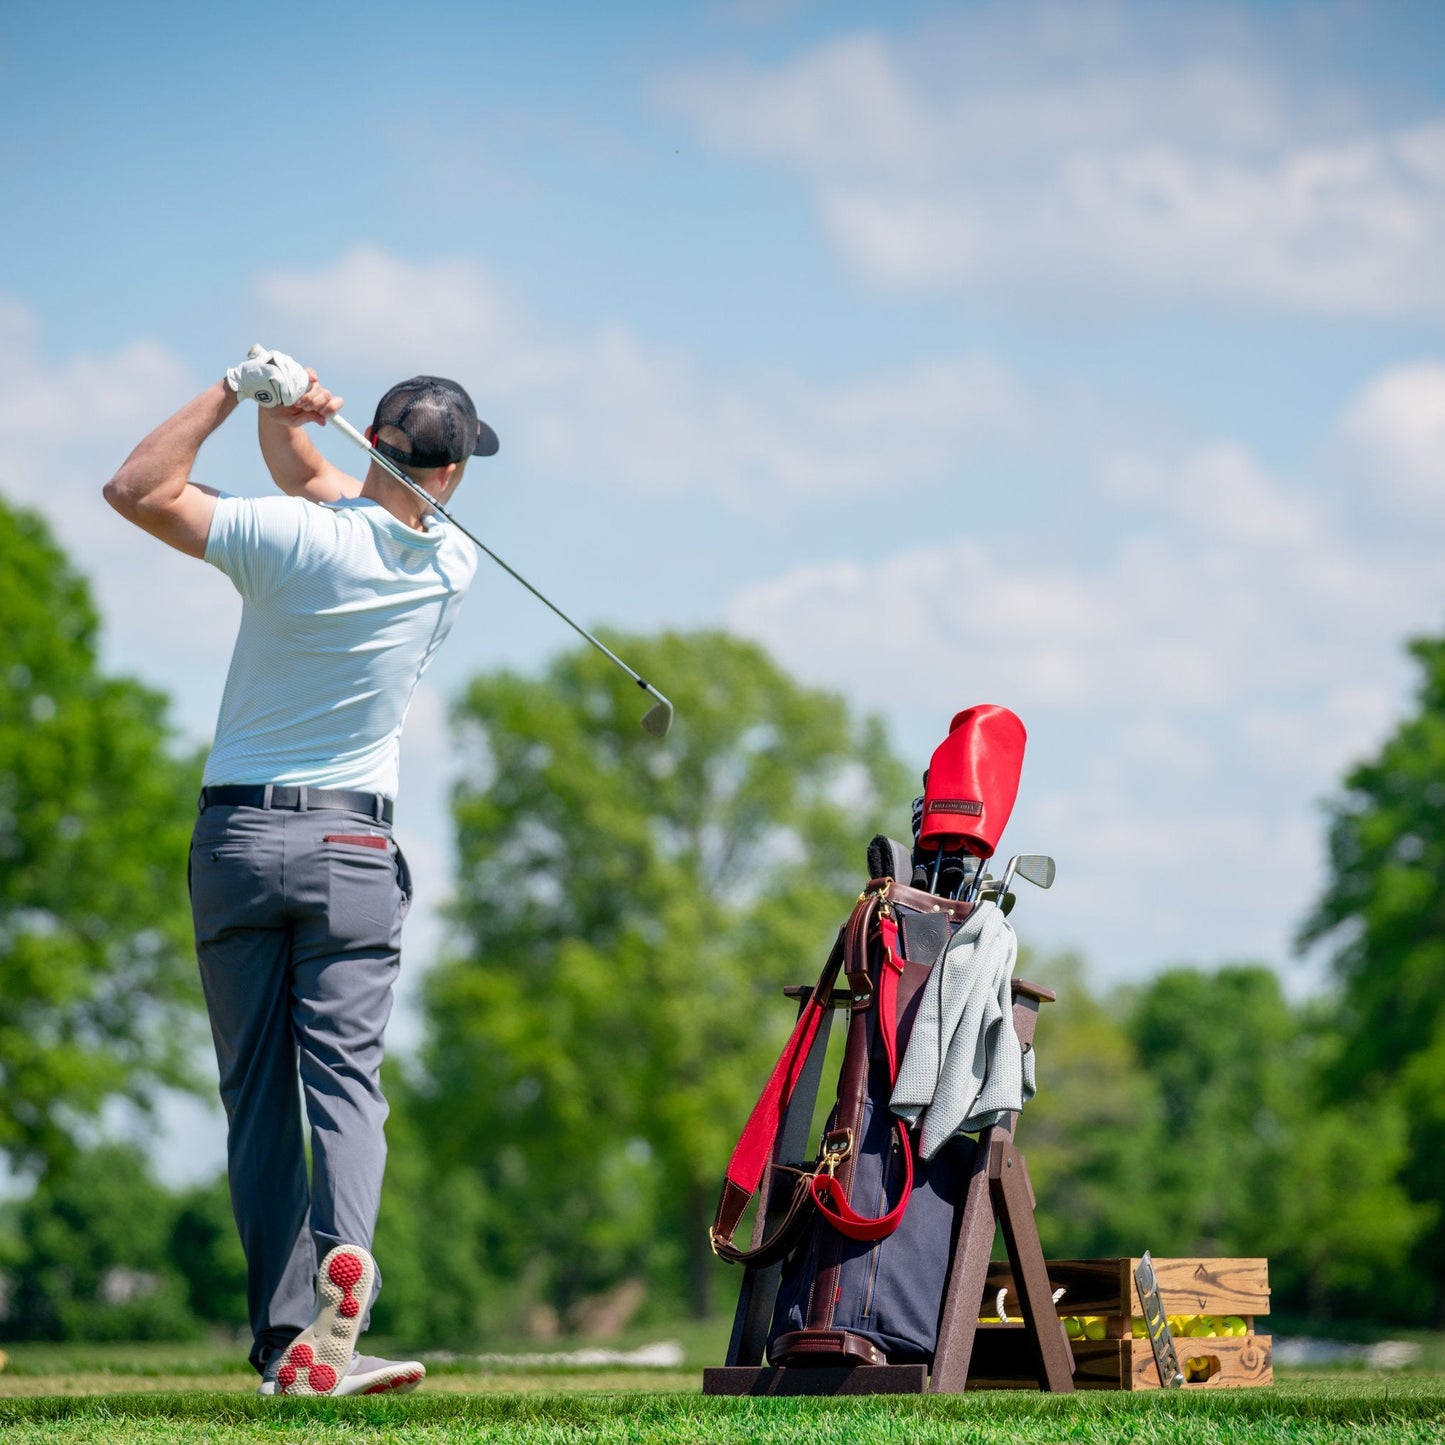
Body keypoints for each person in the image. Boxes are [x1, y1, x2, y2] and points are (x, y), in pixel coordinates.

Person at [104, 346, 497, 1396]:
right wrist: (296, 419)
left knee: (259, 1100)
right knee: (346, 1082)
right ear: (452, 472)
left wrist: (240, 392)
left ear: (376, 443)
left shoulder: (284, 539)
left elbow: (136, 488)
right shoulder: (452, 563)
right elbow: (327, 486)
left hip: (238, 843)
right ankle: (346, 1263)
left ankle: (287, 1339)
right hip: (357, 852)